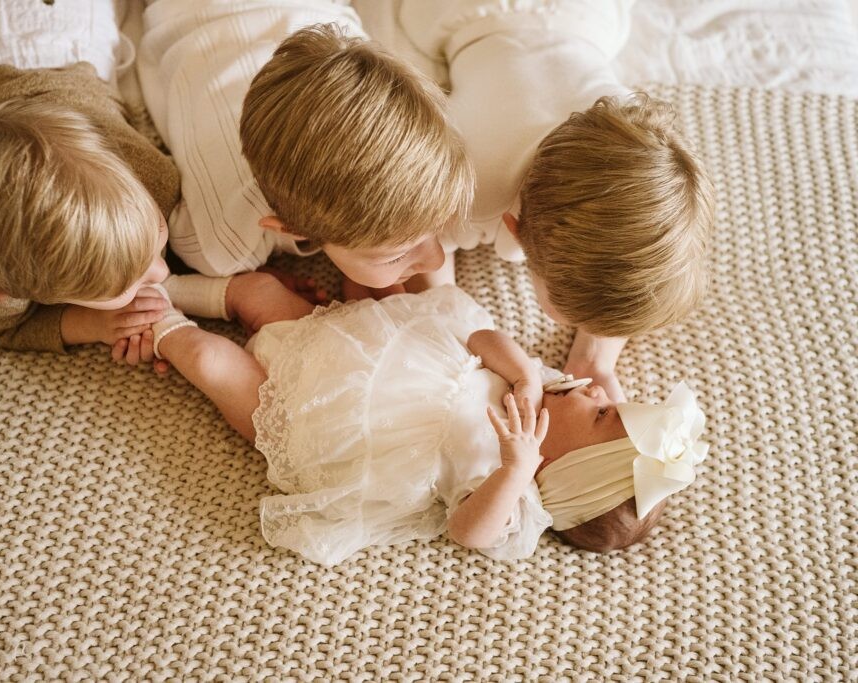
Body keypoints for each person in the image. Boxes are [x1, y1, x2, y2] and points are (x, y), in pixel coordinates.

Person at [147, 273, 708, 565]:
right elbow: (476, 334)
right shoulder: (543, 385)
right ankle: (155, 281)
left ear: (563, 468)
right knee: (259, 292)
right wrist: (523, 375)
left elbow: (467, 532)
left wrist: (514, 470)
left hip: (307, 421)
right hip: (344, 344)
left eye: (602, 413)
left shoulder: (516, 497)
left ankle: (151, 317)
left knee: (209, 359)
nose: (592, 391)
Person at [381, 0, 715, 403]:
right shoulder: (470, 181)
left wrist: (595, 361)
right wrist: (459, 336)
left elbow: (630, 253)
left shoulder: (644, 141)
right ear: (513, 228)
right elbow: (427, 257)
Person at [137, 4, 473, 299]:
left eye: (438, 229)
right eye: (395, 256)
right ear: (288, 228)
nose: (438, 259)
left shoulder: (373, 78)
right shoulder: (221, 244)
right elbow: (152, 267)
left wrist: (442, 300)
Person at [0, 0, 180, 359]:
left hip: (35, 31)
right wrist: (95, 325)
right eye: (125, 284)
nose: (162, 269)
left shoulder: (153, 177)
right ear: (11, 291)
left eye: (158, 231)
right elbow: (8, 328)